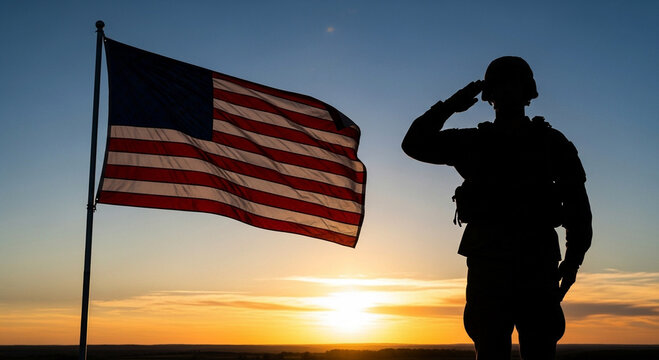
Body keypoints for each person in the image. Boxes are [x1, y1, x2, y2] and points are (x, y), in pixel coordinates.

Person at [402, 57, 592, 360]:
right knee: (491, 349)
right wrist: (451, 104)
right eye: (501, 86)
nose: (507, 92)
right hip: (491, 266)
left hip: (534, 263)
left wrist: (572, 262)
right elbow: (413, 143)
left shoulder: (551, 142)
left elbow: (578, 208)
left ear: (527, 92)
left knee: (538, 349)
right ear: (490, 95)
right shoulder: (473, 141)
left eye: (513, 84)